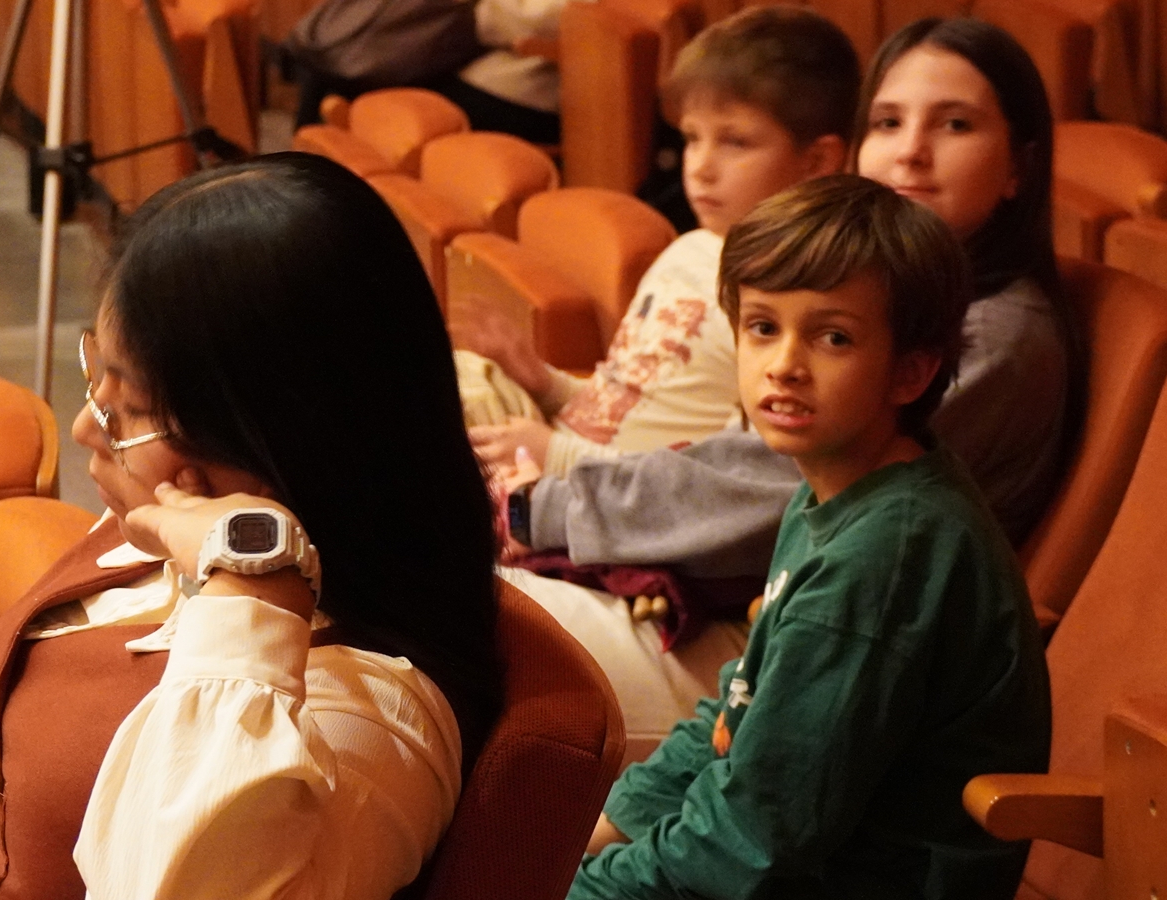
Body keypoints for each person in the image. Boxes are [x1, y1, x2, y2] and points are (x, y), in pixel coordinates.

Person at [498, 15, 1078, 761]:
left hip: (820, 647)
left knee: (457, 626)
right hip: (764, 612)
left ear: (1018, 167)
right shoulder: (876, 297)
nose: (910, 152)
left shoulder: (996, 337)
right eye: (887, 121)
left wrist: (553, 501)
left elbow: (766, 483)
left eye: (955, 124)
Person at [0, 153, 502, 899]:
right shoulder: (177, 519)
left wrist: (251, 576)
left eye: (133, 406)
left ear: (281, 437)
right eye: (100, 377)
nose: (89, 425)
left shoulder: (369, 720)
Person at [569, 172, 1052, 900]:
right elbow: (737, 709)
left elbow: (750, 846)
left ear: (911, 371)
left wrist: (575, 887)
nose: (786, 364)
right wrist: (597, 832)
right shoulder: (842, 485)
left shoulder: (884, 555)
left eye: (832, 336)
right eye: (763, 327)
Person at [459, 6, 859, 477]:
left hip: (610, 504)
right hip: (561, 457)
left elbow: (729, 483)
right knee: (454, 376)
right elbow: (629, 406)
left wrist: (560, 458)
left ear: (816, 161)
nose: (700, 166)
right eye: (692, 138)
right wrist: (545, 383)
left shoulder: (789, 304)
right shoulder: (688, 249)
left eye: (735, 142)